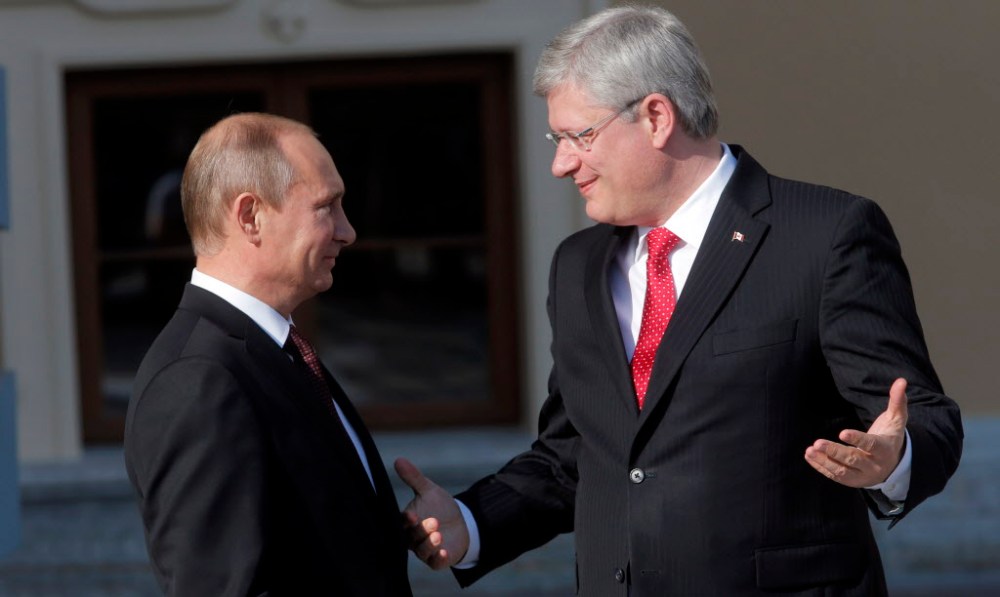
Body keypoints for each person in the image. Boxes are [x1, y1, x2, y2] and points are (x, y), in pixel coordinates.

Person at [395, 6, 963, 596]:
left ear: (656, 117)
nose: (561, 163)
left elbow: (921, 416)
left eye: (578, 136)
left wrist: (893, 458)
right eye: (556, 139)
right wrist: (471, 522)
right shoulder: (578, 266)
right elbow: (576, 454)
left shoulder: (823, 235)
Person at [124, 112, 412, 596]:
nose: (347, 231)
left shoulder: (273, 350)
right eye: (326, 207)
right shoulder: (198, 378)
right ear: (250, 217)